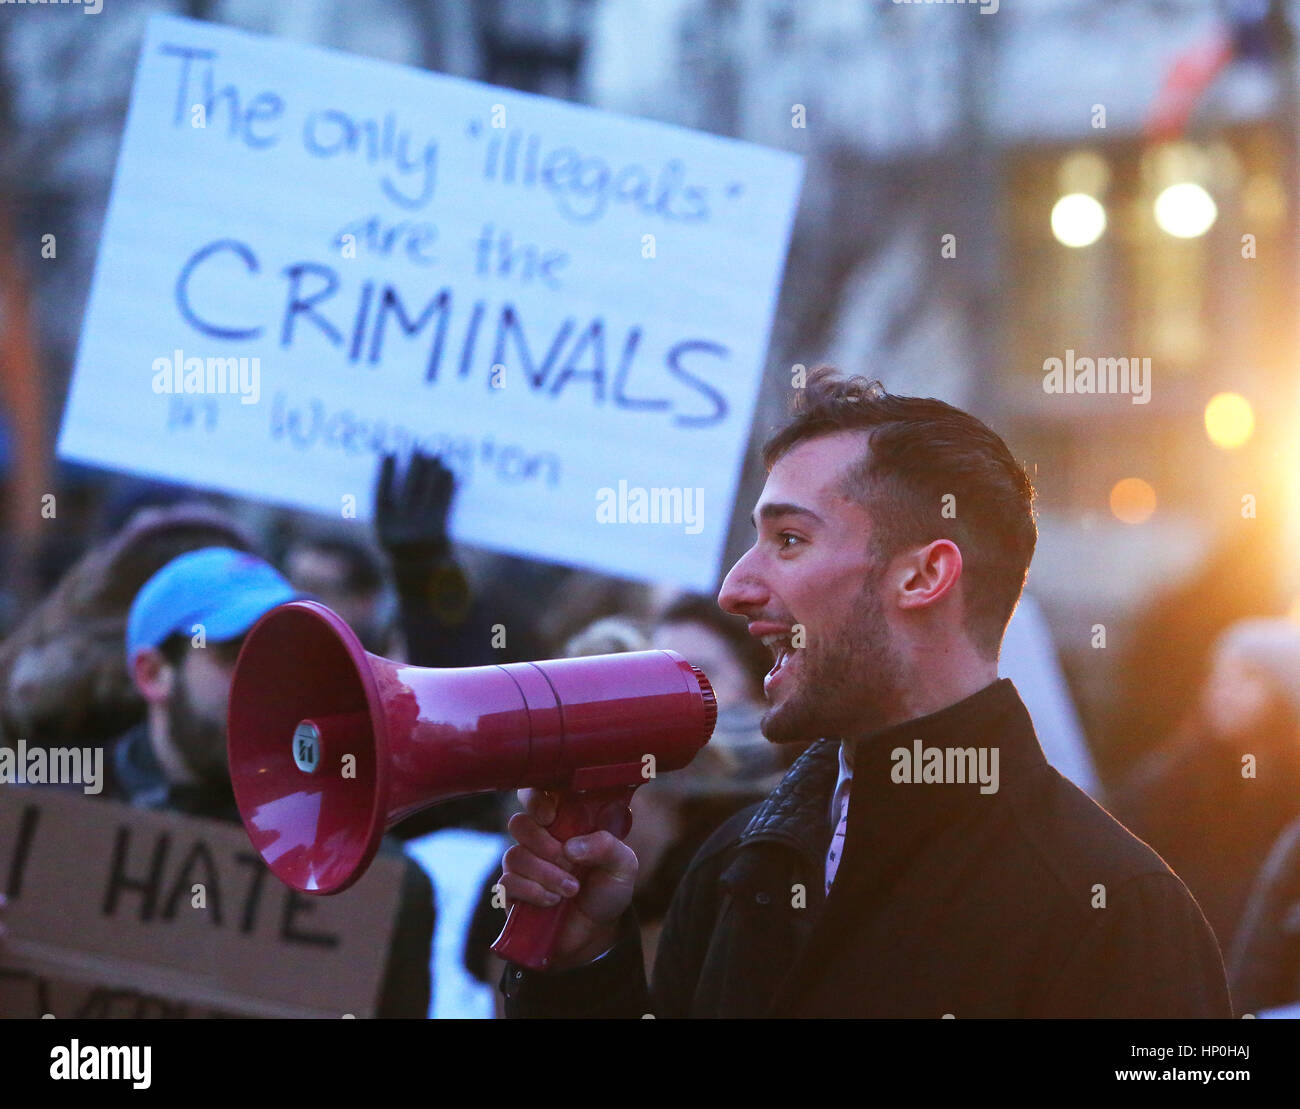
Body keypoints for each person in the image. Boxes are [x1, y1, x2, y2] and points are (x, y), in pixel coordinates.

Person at [496, 368, 1231, 1018]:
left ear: (921, 577)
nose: (735, 588)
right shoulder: (732, 868)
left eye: (788, 540)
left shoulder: (1116, 910)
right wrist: (580, 971)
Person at [106, 546, 434, 1018]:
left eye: (281, 656)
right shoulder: (49, 826)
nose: (267, 685)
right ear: (154, 673)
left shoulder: (378, 881)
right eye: (236, 655)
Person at [1113, 617, 1300, 947]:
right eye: (1220, 673)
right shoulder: (1170, 778)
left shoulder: (1288, 808)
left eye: (1249, 675)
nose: (1224, 687)